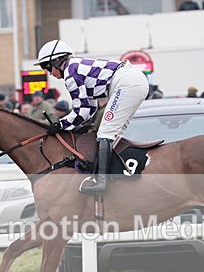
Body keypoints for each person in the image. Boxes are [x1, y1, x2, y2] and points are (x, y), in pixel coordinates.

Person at [34, 39, 149, 195]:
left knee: (105, 133)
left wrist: (61, 124)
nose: (50, 73)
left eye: (47, 67)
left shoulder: (70, 73)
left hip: (127, 83)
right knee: (113, 133)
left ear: (57, 60)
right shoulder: (76, 67)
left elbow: (81, 110)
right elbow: (90, 108)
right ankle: (118, 175)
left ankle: (101, 181)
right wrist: (70, 124)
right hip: (133, 81)